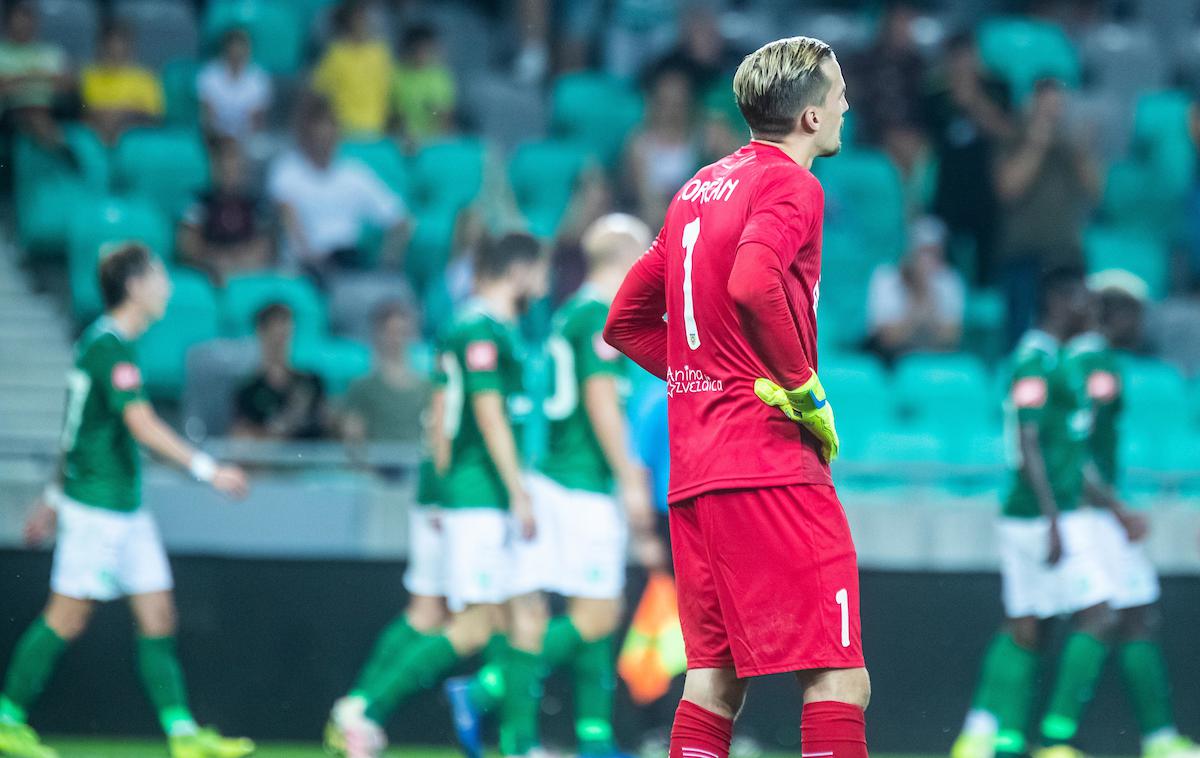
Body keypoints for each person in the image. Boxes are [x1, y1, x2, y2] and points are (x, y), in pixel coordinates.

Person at [604, 36, 871, 758]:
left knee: (713, 681)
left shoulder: (695, 189)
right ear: (811, 116)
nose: (847, 104)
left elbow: (625, 323)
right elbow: (753, 280)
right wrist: (799, 388)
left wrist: (709, 379)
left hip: (695, 478)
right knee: (838, 679)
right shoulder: (792, 185)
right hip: (769, 466)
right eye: (839, 92)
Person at [0, 244, 252, 758]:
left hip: (123, 505)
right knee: (66, 617)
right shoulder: (109, 347)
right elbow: (139, 424)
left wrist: (50, 495)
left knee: (158, 612)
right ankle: (6, 719)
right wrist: (209, 469)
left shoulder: (108, 345)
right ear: (134, 286)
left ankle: (183, 736)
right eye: (160, 276)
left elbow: (76, 428)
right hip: (96, 507)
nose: (169, 286)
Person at [443, 214, 665, 758]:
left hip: (564, 481)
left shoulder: (573, 315)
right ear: (627, 259)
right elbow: (599, 400)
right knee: (597, 613)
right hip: (579, 486)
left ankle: (593, 735)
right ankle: (488, 687)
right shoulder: (598, 317)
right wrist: (628, 475)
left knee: (594, 607)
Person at [324, 233, 548, 758]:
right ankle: (367, 711)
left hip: (454, 489)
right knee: (476, 624)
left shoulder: (475, 327)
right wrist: (517, 489)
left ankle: (516, 740)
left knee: (459, 612)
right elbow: (488, 412)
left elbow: (443, 410)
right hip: (475, 493)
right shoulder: (481, 331)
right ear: (516, 272)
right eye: (537, 272)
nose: (542, 283)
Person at [949, 268, 1129, 758]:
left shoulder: (1059, 361)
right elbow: (1028, 443)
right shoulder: (1033, 361)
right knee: (1098, 613)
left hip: (1048, 510)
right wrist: (1053, 518)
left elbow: (1067, 447)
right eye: (1081, 298)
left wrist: (1109, 504)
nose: (1089, 309)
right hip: (1041, 514)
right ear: (1056, 299)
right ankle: (1056, 738)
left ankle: (991, 735)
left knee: (1029, 624)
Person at [1062, 274, 1200, 758]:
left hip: (1101, 509)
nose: (1141, 323)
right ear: (1115, 312)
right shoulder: (1086, 362)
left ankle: (1160, 738)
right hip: (1086, 511)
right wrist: (1117, 509)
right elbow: (1069, 448)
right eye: (1135, 312)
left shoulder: (1102, 362)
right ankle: (1057, 740)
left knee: (1138, 613)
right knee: (1099, 617)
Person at [325, 345, 450, 758]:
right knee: (480, 620)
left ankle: (358, 708)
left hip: (440, 490)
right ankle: (517, 734)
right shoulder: (485, 335)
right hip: (462, 496)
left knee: (428, 613)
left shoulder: (459, 339)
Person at [994, 79, 1099, 344]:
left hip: (1066, 256)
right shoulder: (1012, 138)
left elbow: (1096, 192)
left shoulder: (1071, 147)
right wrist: (1036, 143)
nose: (1053, 112)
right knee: (1022, 339)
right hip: (1023, 256)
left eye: (1058, 105)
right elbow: (1009, 189)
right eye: (1046, 105)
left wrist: (1082, 153)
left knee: (1072, 336)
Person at [267, 94, 406, 285]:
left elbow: (400, 220)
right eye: (317, 130)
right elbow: (288, 219)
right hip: (304, 269)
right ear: (306, 134)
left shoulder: (354, 174)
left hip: (348, 266)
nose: (323, 137)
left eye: (328, 129)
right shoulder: (287, 170)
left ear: (337, 133)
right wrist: (314, 259)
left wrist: (386, 265)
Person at [922, 31, 1013, 286]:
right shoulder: (934, 94)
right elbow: (927, 145)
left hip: (986, 190)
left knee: (987, 269)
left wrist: (973, 101)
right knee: (943, 269)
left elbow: (1006, 132)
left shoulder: (997, 87)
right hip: (947, 190)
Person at [865, 215, 965, 362]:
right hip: (889, 363)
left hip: (935, 362)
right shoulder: (885, 277)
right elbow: (887, 339)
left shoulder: (950, 280)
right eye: (923, 252)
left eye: (934, 252)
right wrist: (920, 309)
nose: (927, 260)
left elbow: (951, 338)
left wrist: (927, 293)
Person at [178, 138, 271, 284]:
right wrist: (215, 261)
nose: (231, 173)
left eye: (236, 167)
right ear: (215, 168)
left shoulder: (256, 205)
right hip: (209, 276)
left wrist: (238, 263)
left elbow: (263, 249)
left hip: (246, 274)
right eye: (225, 167)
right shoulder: (198, 203)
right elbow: (188, 247)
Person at [231, 303, 329, 440]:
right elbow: (243, 442)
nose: (281, 337)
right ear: (261, 332)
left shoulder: (311, 382)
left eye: (286, 330)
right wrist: (289, 419)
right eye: (276, 330)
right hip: (271, 460)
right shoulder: (248, 391)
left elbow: (327, 424)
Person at [339, 299, 430, 445]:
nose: (396, 339)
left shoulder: (426, 386)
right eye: (390, 332)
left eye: (402, 332)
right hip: (378, 465)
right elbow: (353, 438)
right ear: (376, 335)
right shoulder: (362, 387)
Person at [623, 65, 699, 225]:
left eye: (678, 103)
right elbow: (638, 194)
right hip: (652, 217)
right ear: (654, 103)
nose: (671, 111)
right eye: (665, 103)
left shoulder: (702, 140)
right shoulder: (640, 144)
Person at [0, 1, 73, 154]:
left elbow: (66, 85)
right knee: (33, 115)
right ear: (8, 23)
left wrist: (20, 80)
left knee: (39, 114)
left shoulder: (51, 53)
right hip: (11, 109)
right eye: (18, 20)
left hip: (50, 106)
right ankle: (60, 150)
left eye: (27, 20)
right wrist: (40, 77)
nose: (22, 26)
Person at [312, 0, 393, 136]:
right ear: (347, 22)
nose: (362, 23)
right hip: (343, 130)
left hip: (376, 129)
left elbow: (388, 92)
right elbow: (319, 92)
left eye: (364, 18)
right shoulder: (335, 54)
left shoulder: (380, 53)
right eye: (357, 19)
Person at [80, 21, 163, 145]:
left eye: (120, 43)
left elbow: (153, 113)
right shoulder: (90, 75)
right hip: (97, 130)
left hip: (134, 131)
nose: (115, 49)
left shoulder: (145, 77)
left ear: (129, 46)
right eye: (111, 44)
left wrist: (121, 115)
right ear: (102, 46)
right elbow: (89, 108)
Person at [197, 27, 272, 146]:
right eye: (234, 48)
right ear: (226, 49)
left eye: (242, 49)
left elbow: (256, 121)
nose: (237, 54)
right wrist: (223, 139)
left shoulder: (259, 78)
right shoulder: (209, 75)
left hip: (246, 139)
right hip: (215, 137)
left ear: (248, 50)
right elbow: (208, 117)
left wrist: (240, 140)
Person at [390, 24, 455, 148]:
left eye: (426, 48)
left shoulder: (441, 77)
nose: (422, 52)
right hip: (403, 142)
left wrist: (433, 137)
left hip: (434, 143)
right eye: (418, 48)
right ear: (409, 48)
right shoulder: (398, 76)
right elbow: (394, 115)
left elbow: (446, 116)